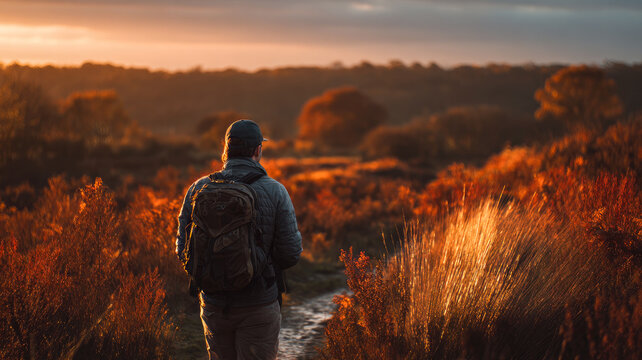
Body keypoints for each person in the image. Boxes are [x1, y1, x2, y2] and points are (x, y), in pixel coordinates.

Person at [175, 119, 302, 360]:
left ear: (226, 149)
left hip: (213, 304)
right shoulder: (275, 190)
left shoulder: (198, 188)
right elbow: (290, 253)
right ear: (257, 150)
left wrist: (212, 275)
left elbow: (183, 249)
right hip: (259, 304)